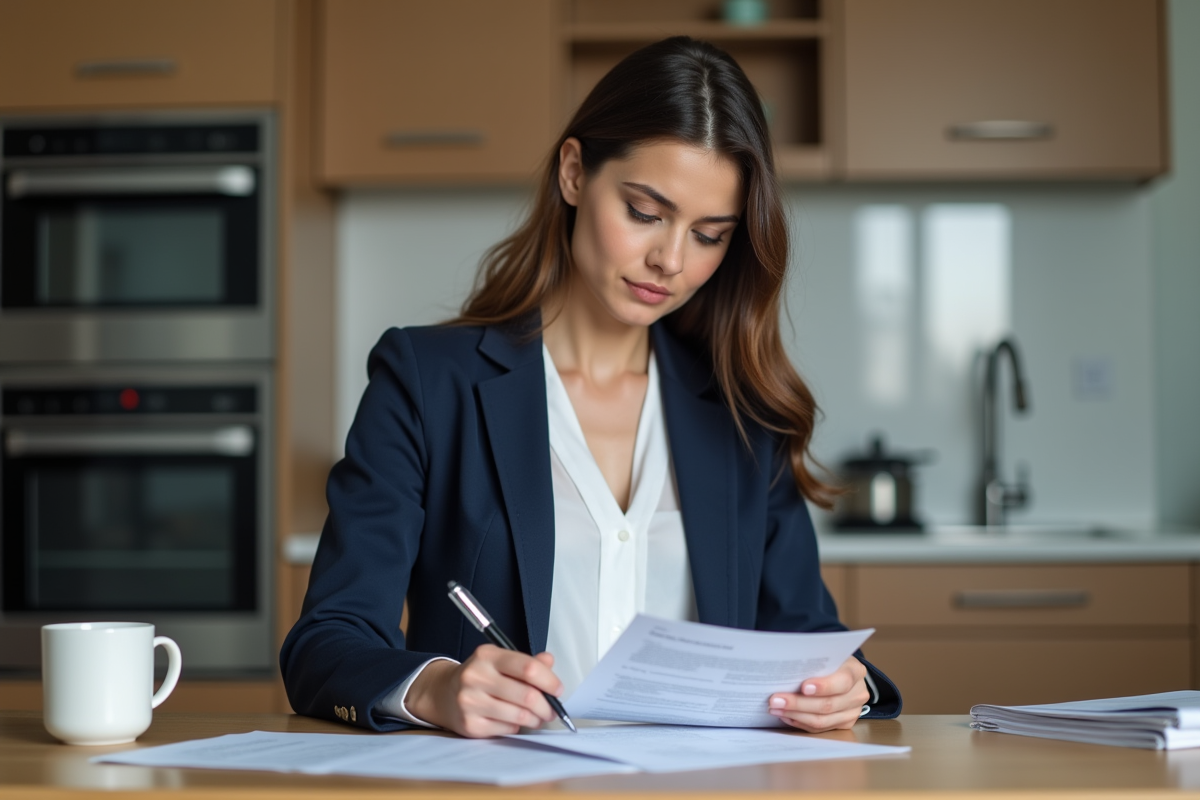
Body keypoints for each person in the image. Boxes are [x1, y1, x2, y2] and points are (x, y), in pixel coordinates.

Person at [281, 36, 901, 738]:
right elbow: (324, 644)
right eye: (644, 212)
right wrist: (436, 687)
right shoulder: (427, 382)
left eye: (710, 235)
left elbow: (808, 637)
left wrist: (845, 686)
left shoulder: (741, 413)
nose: (669, 259)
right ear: (575, 174)